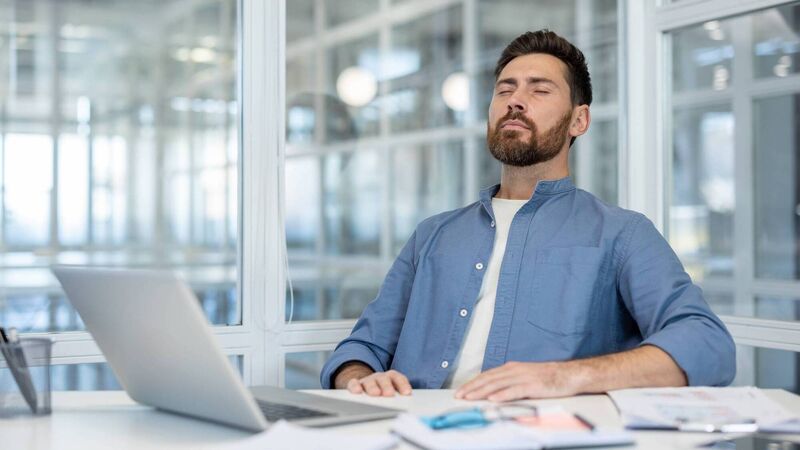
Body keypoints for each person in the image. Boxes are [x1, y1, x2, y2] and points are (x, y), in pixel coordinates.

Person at [319, 29, 735, 402]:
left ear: (579, 120)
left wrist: (563, 377)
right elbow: (362, 349)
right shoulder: (432, 235)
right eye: (505, 89)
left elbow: (707, 344)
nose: (515, 100)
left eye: (539, 90)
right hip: (409, 431)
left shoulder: (622, 234)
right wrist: (360, 380)